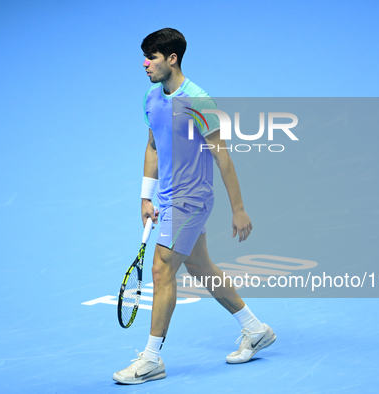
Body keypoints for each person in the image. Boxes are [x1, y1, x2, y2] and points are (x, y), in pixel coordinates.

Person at [112, 28, 276, 385]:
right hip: (169, 197)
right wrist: (145, 195)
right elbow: (153, 146)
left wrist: (239, 208)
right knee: (200, 266)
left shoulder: (199, 102)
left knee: (161, 269)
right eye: (145, 57)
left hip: (192, 199)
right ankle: (255, 329)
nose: (145, 64)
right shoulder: (151, 98)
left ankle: (152, 359)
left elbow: (223, 156)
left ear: (172, 59)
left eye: (152, 57)